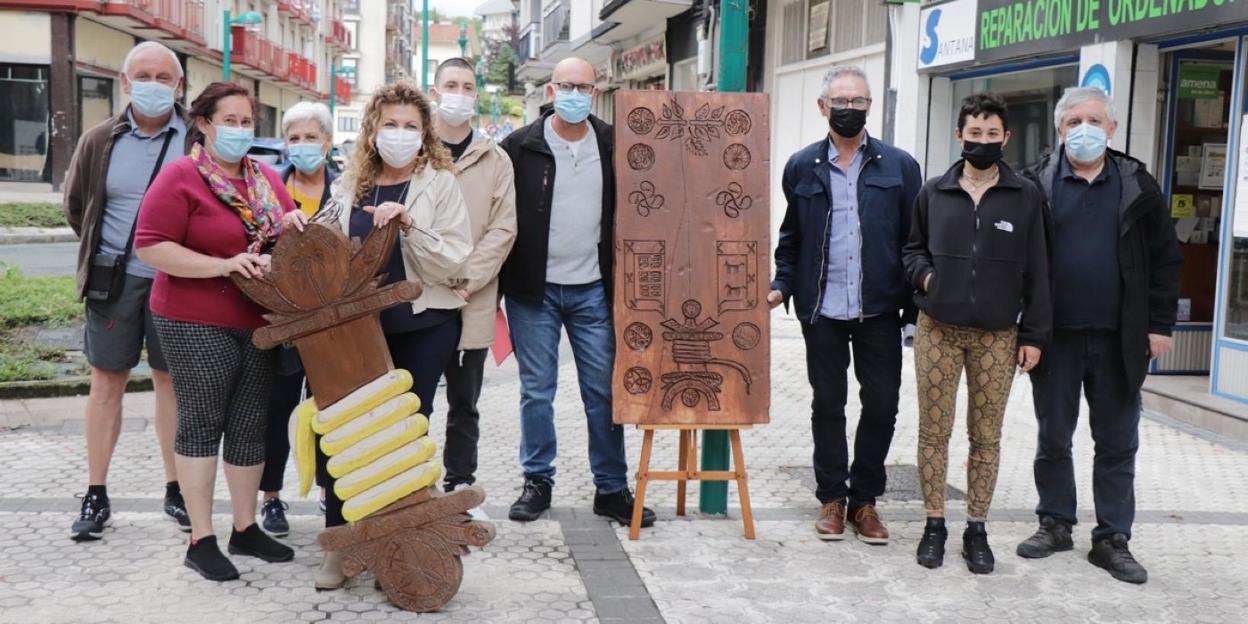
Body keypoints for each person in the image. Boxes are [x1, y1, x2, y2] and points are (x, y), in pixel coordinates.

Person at [289, 79, 473, 589]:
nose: (399, 133)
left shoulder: (441, 182)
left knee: (401, 437)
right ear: (372, 130)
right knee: (342, 430)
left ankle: (397, 543)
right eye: (390, 124)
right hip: (352, 331)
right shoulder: (351, 185)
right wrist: (299, 230)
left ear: (425, 133)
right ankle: (339, 543)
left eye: (410, 126)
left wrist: (409, 224)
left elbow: (455, 260)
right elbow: (324, 245)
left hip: (422, 324)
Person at [134, 81, 299, 581]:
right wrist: (222, 265)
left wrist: (296, 233)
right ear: (204, 124)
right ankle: (201, 539)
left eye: (247, 122)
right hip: (193, 318)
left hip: (257, 320)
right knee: (203, 422)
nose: (240, 130)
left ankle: (245, 528)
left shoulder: (263, 179)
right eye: (230, 121)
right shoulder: (180, 177)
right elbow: (150, 245)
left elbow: (288, 231)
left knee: (249, 425)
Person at [1017, 87, 1182, 584]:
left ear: (1111, 128)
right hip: (1055, 338)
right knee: (1053, 436)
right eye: (1074, 122)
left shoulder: (1137, 185)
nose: (1083, 129)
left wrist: (1160, 324)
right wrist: (1024, 329)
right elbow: (1019, 263)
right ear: (1059, 129)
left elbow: (1165, 259)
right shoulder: (1035, 184)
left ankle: (1112, 537)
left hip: (1120, 339)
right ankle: (1055, 522)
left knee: (1116, 441)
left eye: (1093, 120)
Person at [768, 65, 922, 545]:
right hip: (822, 310)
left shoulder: (900, 166)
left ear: (870, 106)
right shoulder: (801, 166)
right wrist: (781, 285)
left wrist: (915, 308)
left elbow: (914, 241)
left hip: (879, 309)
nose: (849, 109)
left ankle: (865, 501)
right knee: (828, 404)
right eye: (841, 101)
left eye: (858, 101)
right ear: (823, 107)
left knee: (882, 404)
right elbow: (791, 238)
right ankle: (832, 498)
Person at [499, 57, 653, 527]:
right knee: (536, 392)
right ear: (550, 91)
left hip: (594, 291)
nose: (575, 94)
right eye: (566, 86)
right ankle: (537, 481)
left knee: (603, 393)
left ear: (596, 92)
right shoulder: (519, 146)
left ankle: (611, 487)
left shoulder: (614, 143)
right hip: (534, 292)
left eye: (583, 87)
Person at [903, 93, 1051, 573]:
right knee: (933, 432)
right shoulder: (934, 192)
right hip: (938, 331)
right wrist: (929, 279)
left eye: (991, 133)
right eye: (974, 132)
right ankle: (934, 525)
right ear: (959, 135)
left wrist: (1034, 335)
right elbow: (911, 250)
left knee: (986, 436)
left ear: (1006, 137)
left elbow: (1040, 269)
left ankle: (977, 529)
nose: (982, 141)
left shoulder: (1025, 195)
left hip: (997, 335)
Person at [62, 41, 188, 541]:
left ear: (179, 86)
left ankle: (177, 488)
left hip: (177, 283)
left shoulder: (196, 140)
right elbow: (78, 207)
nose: (153, 85)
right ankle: (96, 492)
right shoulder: (99, 140)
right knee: (106, 382)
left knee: (170, 383)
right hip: (114, 281)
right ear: (125, 83)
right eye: (144, 76)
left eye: (164, 77)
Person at [430, 58, 517, 508]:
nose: (459, 94)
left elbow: (503, 229)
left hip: (473, 299)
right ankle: (410, 489)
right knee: (412, 400)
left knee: (465, 402)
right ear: (434, 93)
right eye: (451, 85)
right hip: (421, 298)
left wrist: (466, 279)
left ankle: (460, 484)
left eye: (467, 86)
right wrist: (435, 276)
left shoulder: (495, 159)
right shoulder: (417, 154)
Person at [256, 101, 339, 538]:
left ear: (327, 142)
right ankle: (271, 496)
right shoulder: (268, 189)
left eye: (311, 137)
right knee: (279, 408)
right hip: (283, 317)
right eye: (294, 138)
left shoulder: (346, 190)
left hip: (332, 320)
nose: (302, 145)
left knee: (330, 406)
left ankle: (331, 490)